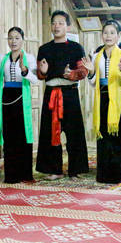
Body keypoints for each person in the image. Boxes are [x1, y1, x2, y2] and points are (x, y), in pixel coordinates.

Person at [36, 10, 89, 181]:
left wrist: (71, 74)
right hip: (51, 94)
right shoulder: (43, 49)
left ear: (67, 26)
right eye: (54, 23)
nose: (56, 26)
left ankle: (75, 170)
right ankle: (55, 169)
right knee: (50, 132)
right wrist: (43, 72)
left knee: (74, 133)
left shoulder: (76, 47)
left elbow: (83, 71)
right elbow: (39, 74)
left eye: (60, 23)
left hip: (69, 93)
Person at [82, 20, 121, 184]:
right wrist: (91, 72)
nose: (108, 36)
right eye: (106, 32)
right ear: (102, 35)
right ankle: (103, 174)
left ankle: (118, 174)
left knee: (118, 136)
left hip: (119, 99)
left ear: (119, 35)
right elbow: (92, 83)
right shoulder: (97, 55)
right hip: (102, 98)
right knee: (104, 136)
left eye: (112, 33)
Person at [0, 26, 38, 184]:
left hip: (22, 100)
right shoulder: (2, 58)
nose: (13, 41)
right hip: (6, 99)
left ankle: (26, 174)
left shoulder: (29, 57)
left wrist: (25, 70)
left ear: (23, 39)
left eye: (17, 38)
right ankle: (11, 176)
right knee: (10, 137)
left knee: (23, 136)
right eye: (10, 38)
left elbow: (34, 80)